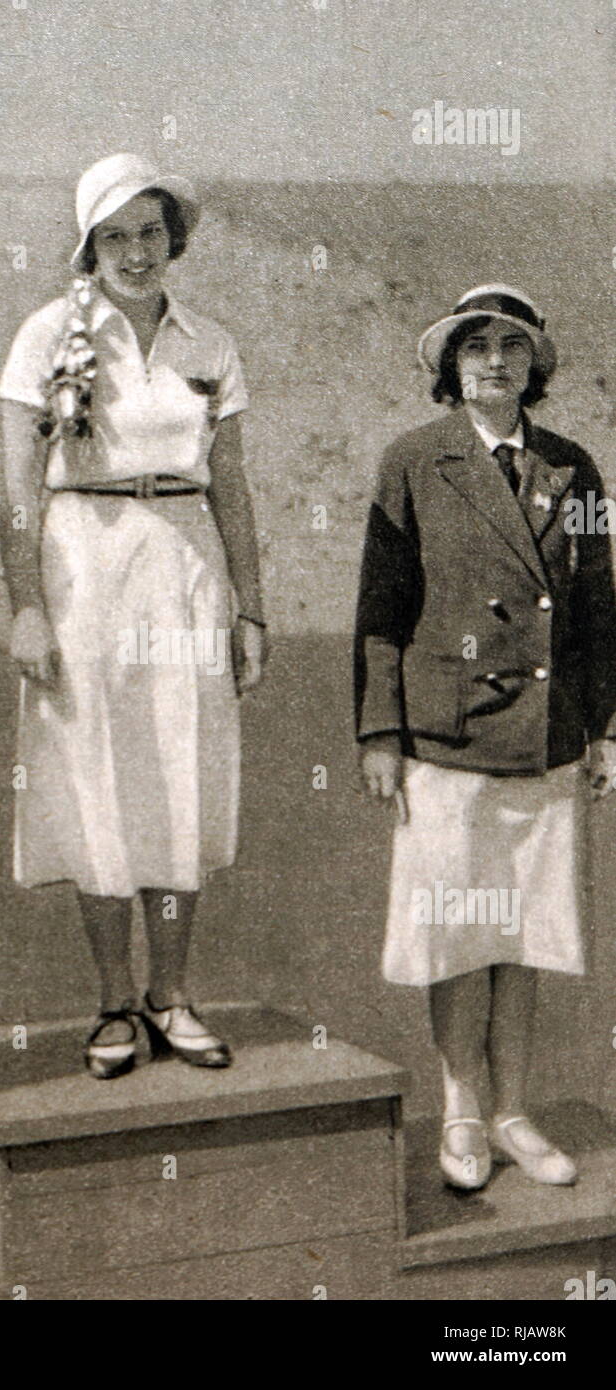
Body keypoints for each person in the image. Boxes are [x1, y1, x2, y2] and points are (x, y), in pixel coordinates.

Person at [0, 153, 267, 1080]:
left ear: (173, 240)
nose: (136, 252)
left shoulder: (210, 344)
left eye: (151, 232)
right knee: (96, 775)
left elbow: (231, 488)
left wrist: (251, 612)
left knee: (177, 770)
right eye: (116, 235)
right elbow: (16, 498)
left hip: (185, 565)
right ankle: (114, 1000)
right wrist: (27, 607)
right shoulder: (44, 338)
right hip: (82, 565)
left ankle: (172, 994)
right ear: (89, 246)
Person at [354, 283, 616, 1191]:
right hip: (445, 740)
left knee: (523, 933)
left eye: (510, 346)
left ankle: (512, 1111)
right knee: (461, 935)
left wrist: (604, 730)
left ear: (534, 364)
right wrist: (379, 734)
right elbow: (380, 613)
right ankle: (460, 1111)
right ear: (448, 367)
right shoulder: (412, 464)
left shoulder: (577, 472)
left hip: (545, 739)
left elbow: (596, 604)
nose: (492, 362)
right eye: (474, 348)